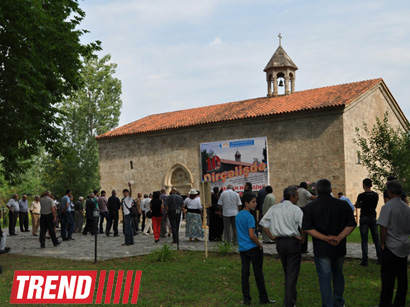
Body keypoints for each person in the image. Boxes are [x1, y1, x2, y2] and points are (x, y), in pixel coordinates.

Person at [302, 179, 356, 307]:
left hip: (322, 248)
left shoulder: (311, 207)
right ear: (331, 190)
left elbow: (308, 228)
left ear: (317, 190)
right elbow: (352, 224)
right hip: (339, 246)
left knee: (325, 278)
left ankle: (328, 304)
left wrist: (326, 238)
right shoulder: (342, 205)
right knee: (338, 274)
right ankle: (339, 302)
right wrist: (339, 237)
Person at [261, 186, 303, 307]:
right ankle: (289, 303)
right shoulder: (296, 209)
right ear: (291, 196)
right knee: (292, 273)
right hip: (292, 242)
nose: (298, 197)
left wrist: (271, 236)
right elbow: (304, 225)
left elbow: (264, 224)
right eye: (296, 195)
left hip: (280, 243)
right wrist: (302, 238)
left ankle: (292, 299)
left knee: (288, 272)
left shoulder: (275, 208)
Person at [236, 193, 274, 305]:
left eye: (255, 201)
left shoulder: (238, 215)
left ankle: (246, 299)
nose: (255, 204)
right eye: (253, 202)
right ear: (246, 203)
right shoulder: (250, 217)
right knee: (258, 273)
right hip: (253, 248)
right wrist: (259, 245)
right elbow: (252, 235)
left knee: (245, 273)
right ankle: (263, 297)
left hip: (243, 248)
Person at [377, 180, 410, 307]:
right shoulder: (406, 208)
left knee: (388, 278)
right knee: (402, 277)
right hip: (404, 245)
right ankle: (399, 302)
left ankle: (385, 303)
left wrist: (382, 242)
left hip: (391, 245)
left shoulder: (387, 207)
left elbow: (383, 227)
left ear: (389, 192)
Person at [355, 178, 381, 266]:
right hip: (373, 217)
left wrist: (362, 204)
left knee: (364, 240)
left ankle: (365, 260)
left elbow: (358, 205)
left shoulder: (361, 195)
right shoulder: (375, 195)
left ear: (364, 185)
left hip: (364, 217)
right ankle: (380, 258)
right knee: (376, 239)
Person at [297, 182, 317, 253]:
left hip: (297, 209)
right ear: (306, 187)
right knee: (305, 228)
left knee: (298, 229)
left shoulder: (297, 191)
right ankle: (303, 248)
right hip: (304, 209)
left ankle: (298, 247)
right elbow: (311, 197)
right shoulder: (305, 192)